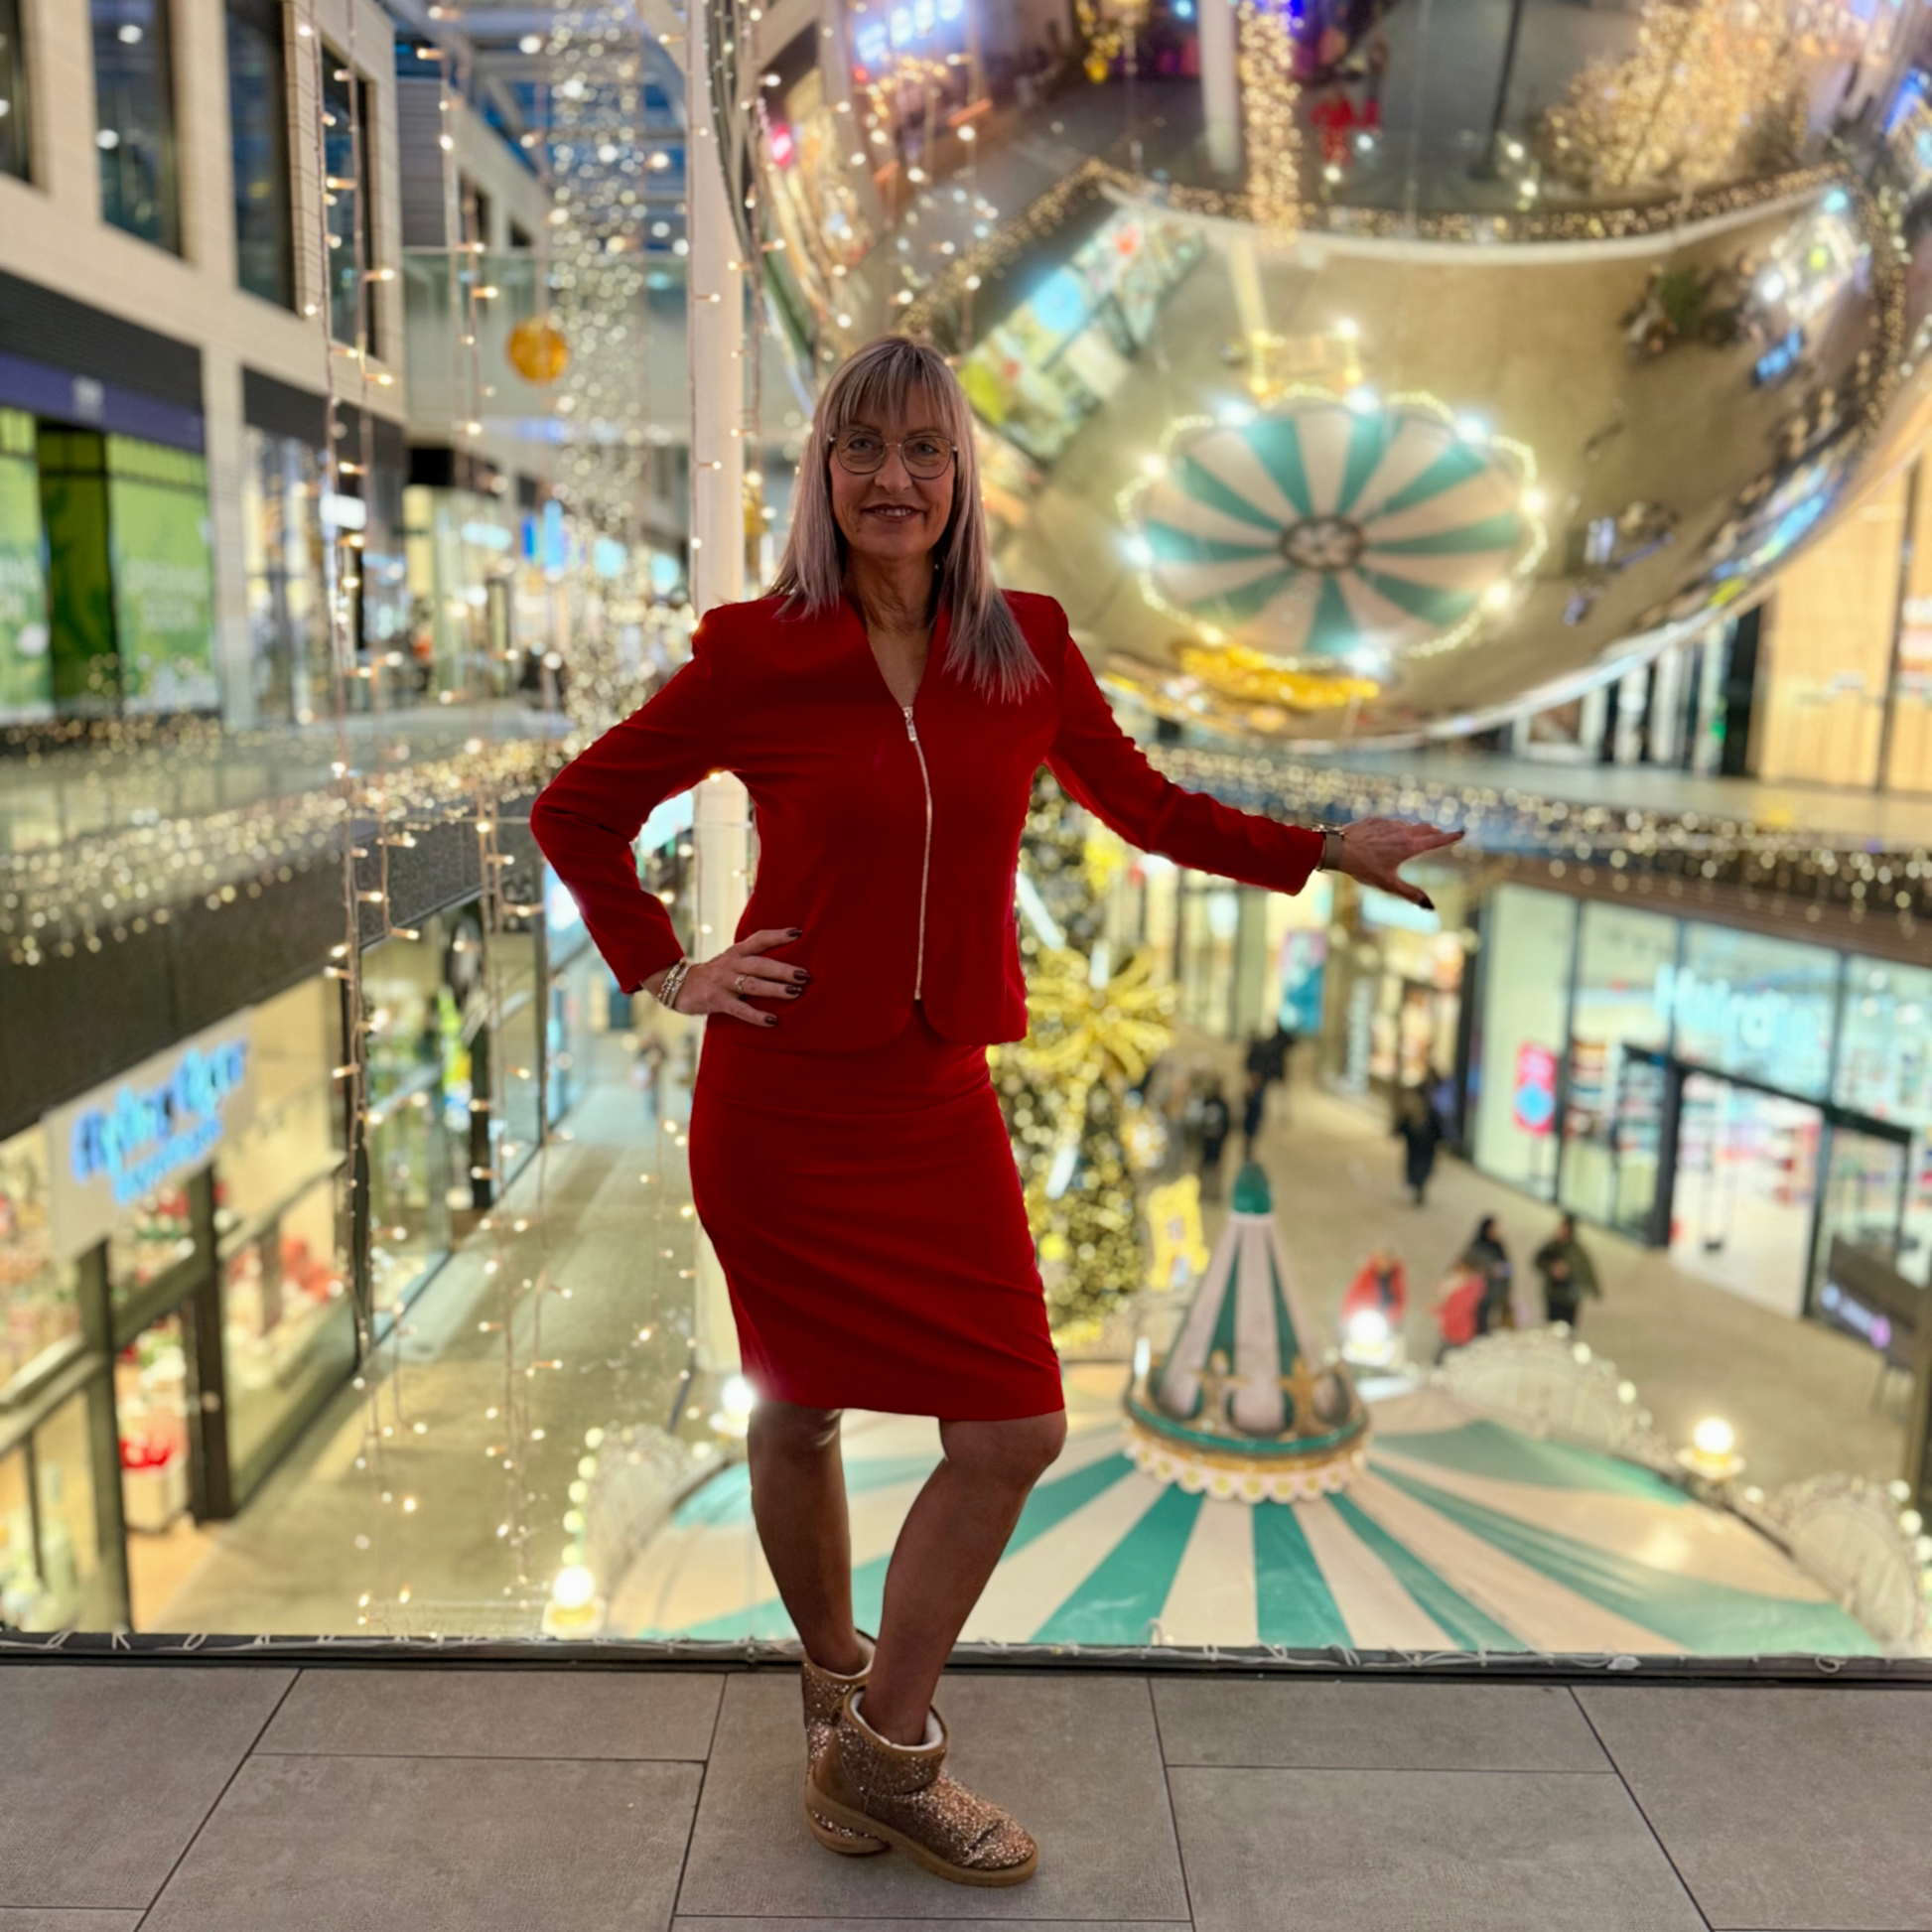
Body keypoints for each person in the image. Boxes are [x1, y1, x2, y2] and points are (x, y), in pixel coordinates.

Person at [530, 336, 1457, 1886]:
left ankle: (882, 1747)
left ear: (961, 476)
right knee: (793, 1407)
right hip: (781, 1102)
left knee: (1015, 1421)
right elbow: (577, 810)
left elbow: (1144, 806)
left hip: (935, 1091)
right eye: (862, 447)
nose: (893, 477)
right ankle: (835, 1687)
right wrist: (671, 971)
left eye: (924, 450)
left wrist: (1317, 849)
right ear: (823, 473)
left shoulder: (1023, 644)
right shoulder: (757, 654)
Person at [1534, 1213, 1601, 1328]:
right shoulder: (1552, 1246)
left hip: (1570, 1298)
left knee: (1567, 1329)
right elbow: (1538, 1261)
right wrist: (1552, 1268)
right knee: (1551, 1328)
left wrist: (1595, 1290)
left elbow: (1586, 1270)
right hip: (1553, 1295)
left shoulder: (1577, 1250)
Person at [1393, 1086, 1445, 1205]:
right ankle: (1418, 1190)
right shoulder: (1409, 1115)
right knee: (1415, 1172)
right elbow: (1400, 1128)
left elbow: (1438, 1131)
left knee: (1424, 1171)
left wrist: (1441, 1143)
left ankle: (1420, 1189)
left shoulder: (1431, 1114)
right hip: (1415, 1150)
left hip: (1427, 1150)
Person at [1462, 1215, 1513, 1333]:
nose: (1497, 1231)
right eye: (1493, 1228)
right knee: (1480, 1326)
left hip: (1497, 1293)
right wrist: (1491, 1269)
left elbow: (1508, 1267)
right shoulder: (1477, 1247)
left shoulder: (1498, 1246)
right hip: (1481, 1293)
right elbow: (1469, 1265)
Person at [1198, 1077, 1233, 1201]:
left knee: (1215, 1168)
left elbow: (1227, 1124)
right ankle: (1202, 1191)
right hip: (1207, 1141)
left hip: (1216, 1142)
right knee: (1204, 1167)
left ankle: (1213, 1193)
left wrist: (1222, 1138)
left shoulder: (1222, 1104)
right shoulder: (1207, 1101)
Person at [1239, 1066, 1267, 1163]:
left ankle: (1248, 1159)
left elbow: (1254, 1107)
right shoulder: (1256, 1093)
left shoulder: (1259, 1094)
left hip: (1252, 1122)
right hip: (1249, 1121)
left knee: (1249, 1144)